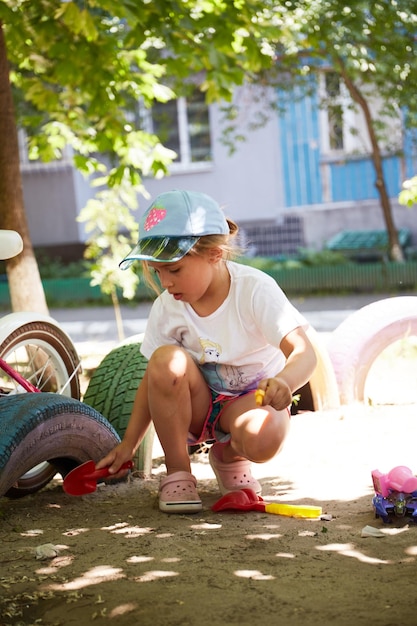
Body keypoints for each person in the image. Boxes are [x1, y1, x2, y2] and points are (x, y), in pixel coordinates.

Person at [97, 189, 317, 513]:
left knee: (264, 436)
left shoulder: (255, 290)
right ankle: (178, 472)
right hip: (198, 404)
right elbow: (155, 378)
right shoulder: (167, 307)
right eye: (157, 272)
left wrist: (285, 380)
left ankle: (229, 456)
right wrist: (129, 442)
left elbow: (304, 351)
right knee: (164, 359)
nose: (166, 283)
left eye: (174, 270)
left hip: (249, 403)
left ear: (214, 254)